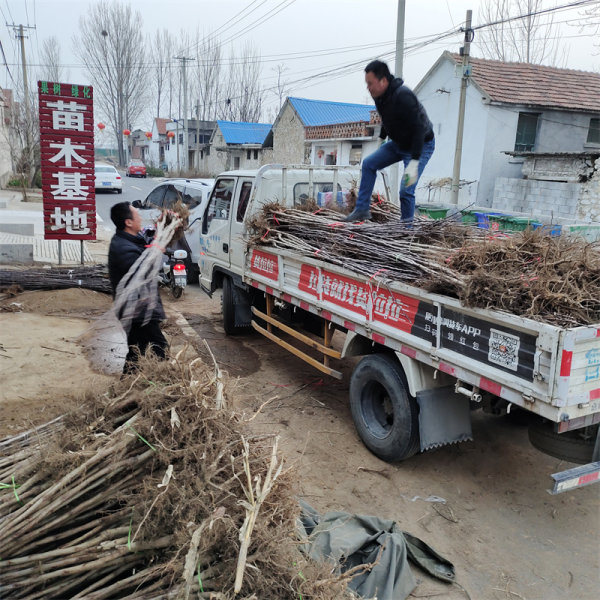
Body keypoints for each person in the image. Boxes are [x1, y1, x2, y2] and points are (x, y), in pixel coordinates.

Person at [346, 60, 435, 222]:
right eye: (367, 83)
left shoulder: (403, 96)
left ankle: (406, 230)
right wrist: (381, 139)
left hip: (420, 144)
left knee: (406, 191)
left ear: (383, 81)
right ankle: (361, 210)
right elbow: (387, 119)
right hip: (398, 144)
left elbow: (419, 129)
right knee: (369, 164)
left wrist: (414, 162)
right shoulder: (379, 96)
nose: (368, 87)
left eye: (370, 83)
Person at [108, 201, 167, 374]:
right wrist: (154, 252)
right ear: (128, 222)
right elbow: (141, 272)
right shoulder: (122, 248)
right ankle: (136, 394)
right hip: (136, 311)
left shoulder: (129, 239)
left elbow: (145, 241)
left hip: (140, 308)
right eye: (137, 215)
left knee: (137, 354)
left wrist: (162, 226)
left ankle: (129, 395)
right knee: (158, 349)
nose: (140, 217)